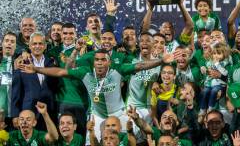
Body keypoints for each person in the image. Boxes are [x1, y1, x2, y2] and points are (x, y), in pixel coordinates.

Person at [19, 48, 173, 141]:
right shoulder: (85, 72)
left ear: (109, 62)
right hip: (97, 116)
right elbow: (60, 71)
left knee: (129, 141)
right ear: (93, 63)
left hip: (119, 114)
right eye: (97, 60)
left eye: (103, 60)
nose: (99, 62)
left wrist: (161, 61)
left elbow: (140, 65)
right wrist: (37, 69)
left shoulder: (118, 70)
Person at [47, 23, 89, 137]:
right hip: (62, 100)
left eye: (71, 33)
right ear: (61, 34)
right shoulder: (53, 52)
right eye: (65, 33)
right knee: (63, 138)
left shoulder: (86, 50)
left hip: (82, 101)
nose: (68, 36)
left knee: (80, 137)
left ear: (76, 35)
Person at [12, 32, 57, 131]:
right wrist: (15, 114)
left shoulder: (52, 63)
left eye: (40, 43)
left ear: (45, 46)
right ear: (29, 45)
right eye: (34, 44)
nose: (37, 46)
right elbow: (16, 92)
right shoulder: (21, 63)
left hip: (49, 111)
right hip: (28, 111)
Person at [127, 107, 192, 146]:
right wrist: (137, 118)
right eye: (164, 117)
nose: (167, 118)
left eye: (171, 117)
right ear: (160, 124)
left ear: (177, 122)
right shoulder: (156, 133)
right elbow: (144, 125)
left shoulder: (185, 142)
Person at [199, 43, 230, 118]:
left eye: (218, 53)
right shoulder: (210, 62)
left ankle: (210, 108)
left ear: (224, 54)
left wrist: (217, 64)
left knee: (214, 91)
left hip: (220, 85)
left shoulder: (225, 63)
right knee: (204, 91)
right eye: (214, 54)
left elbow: (225, 73)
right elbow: (206, 67)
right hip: (209, 84)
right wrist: (204, 69)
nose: (216, 56)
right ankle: (202, 109)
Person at [0, 32, 16, 120]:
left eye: (12, 41)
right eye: (6, 41)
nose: (9, 43)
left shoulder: (20, 64)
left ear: (16, 46)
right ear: (2, 43)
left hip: (13, 115)